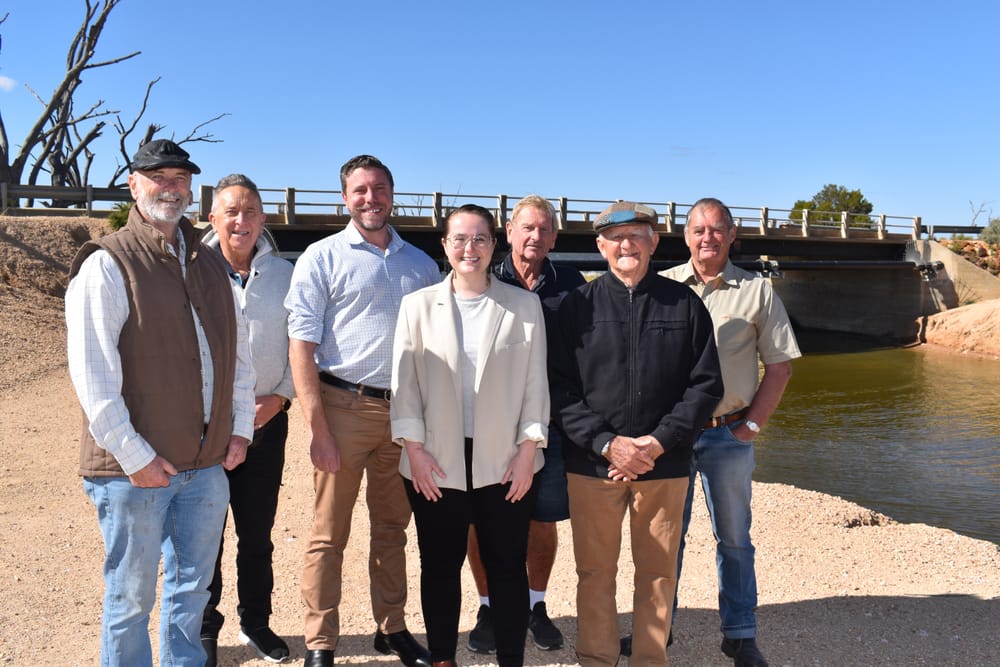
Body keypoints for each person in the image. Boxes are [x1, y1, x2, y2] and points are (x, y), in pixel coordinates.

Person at [65, 139, 256, 666]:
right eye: (158, 177)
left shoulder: (211, 265)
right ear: (133, 186)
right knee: (130, 599)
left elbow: (237, 356)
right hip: (133, 474)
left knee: (192, 593)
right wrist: (136, 458)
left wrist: (239, 429)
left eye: (179, 178)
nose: (170, 187)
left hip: (206, 467)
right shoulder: (106, 265)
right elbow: (93, 376)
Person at [549, 201, 723, 666]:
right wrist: (608, 444)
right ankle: (597, 658)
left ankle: (650, 659)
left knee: (658, 574)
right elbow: (558, 389)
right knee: (595, 572)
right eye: (616, 237)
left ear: (653, 243)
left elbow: (706, 386)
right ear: (601, 246)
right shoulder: (575, 307)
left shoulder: (684, 304)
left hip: (663, 464)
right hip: (593, 466)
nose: (626, 245)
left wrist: (657, 442)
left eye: (637, 235)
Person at [285, 154, 439, 667]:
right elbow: (301, 347)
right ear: (344, 197)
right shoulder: (321, 257)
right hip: (342, 407)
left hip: (404, 415)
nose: (370, 199)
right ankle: (320, 640)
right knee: (330, 533)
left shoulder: (420, 265)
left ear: (393, 195)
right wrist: (318, 429)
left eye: (379, 189)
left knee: (392, 529)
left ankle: (390, 626)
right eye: (360, 190)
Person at [391, 203, 550, 667]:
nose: (470, 248)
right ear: (444, 246)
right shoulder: (416, 307)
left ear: (493, 245)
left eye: (480, 238)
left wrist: (527, 451)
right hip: (434, 460)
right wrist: (414, 451)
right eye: (459, 238)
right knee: (439, 567)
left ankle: (510, 659)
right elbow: (406, 388)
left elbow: (535, 386)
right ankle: (442, 657)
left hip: (505, 461)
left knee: (506, 567)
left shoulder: (524, 306)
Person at [661, 198, 801, 667]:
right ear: (685, 236)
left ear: (732, 234)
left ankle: (739, 635)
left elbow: (779, 367)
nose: (708, 238)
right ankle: (656, 632)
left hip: (728, 435)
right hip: (672, 438)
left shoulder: (757, 291)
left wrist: (752, 427)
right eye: (699, 229)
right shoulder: (663, 290)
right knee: (664, 539)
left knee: (735, 539)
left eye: (717, 229)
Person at [465, 195, 584, 654]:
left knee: (542, 517)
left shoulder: (573, 286)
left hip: (553, 426)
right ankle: (489, 605)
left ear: (555, 236)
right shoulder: (482, 278)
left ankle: (535, 605)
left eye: (545, 229)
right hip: (488, 424)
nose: (535, 237)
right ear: (508, 232)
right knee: (482, 518)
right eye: (526, 228)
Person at [201, 174, 295, 665]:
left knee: (256, 533)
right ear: (213, 217)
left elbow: (304, 349)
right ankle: (204, 625)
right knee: (204, 531)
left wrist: (279, 398)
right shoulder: (189, 270)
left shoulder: (284, 275)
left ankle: (256, 621)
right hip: (205, 426)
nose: (241, 220)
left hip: (267, 418)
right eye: (231, 211)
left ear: (263, 219)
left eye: (251, 211)